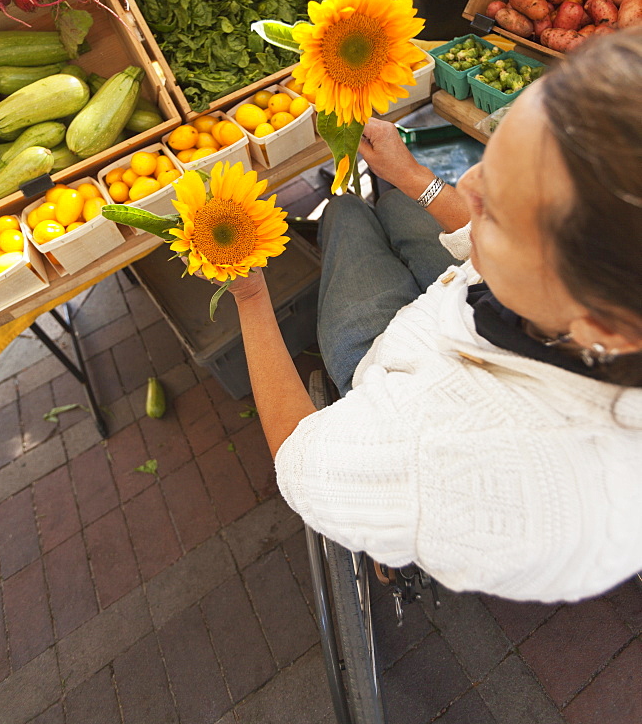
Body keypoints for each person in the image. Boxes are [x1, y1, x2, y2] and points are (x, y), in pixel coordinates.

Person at [225, 31, 642, 603]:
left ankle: (390, 556)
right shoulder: (602, 293)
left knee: (345, 213)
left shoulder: (442, 453)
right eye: (491, 158)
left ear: (603, 325)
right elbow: (479, 236)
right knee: (397, 201)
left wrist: (250, 297)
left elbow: (299, 457)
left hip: (388, 365)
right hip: (447, 314)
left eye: (496, 209)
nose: (467, 183)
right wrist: (408, 175)